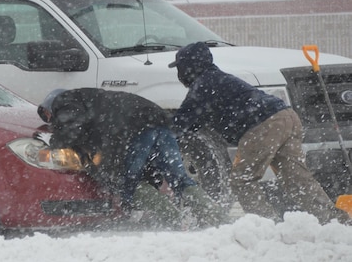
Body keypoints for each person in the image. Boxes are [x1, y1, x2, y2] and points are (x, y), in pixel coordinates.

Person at [169, 41, 351, 224]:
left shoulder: (203, 84)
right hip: (286, 117)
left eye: (180, 68)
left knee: (242, 181)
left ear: (189, 66)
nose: (180, 75)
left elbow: (182, 121)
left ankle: (264, 224)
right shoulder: (215, 78)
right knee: (297, 181)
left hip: (264, 125)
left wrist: (160, 131)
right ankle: (332, 220)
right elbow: (193, 120)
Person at [36, 87, 228, 229]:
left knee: (129, 185)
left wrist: (54, 142)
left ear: (48, 107)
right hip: (158, 121)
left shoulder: (64, 99)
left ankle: (174, 225)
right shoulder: (94, 100)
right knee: (179, 179)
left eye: (48, 117)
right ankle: (218, 220)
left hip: (134, 128)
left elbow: (72, 125)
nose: (51, 121)